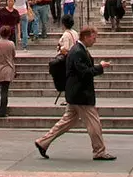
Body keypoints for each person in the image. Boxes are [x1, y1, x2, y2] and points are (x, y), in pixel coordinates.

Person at [34, 25, 114, 160]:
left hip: (75, 93)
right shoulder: (78, 51)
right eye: (94, 38)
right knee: (94, 123)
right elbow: (84, 72)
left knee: (66, 122)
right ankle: (99, 151)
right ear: (87, 37)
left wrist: (98, 66)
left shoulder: (79, 50)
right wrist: (100, 67)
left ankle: (43, 142)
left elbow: (83, 70)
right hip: (80, 94)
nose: (95, 41)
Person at [0, 25, 17, 118]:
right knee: (4, 91)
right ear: (9, 34)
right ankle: (3, 111)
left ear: (0, 32)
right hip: (7, 69)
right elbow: (13, 55)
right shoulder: (11, 44)